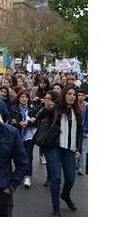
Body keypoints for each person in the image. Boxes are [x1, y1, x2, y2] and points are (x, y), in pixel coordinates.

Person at [43, 85, 83, 216]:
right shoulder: (55, 109)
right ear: (64, 95)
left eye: (74, 94)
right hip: (54, 147)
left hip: (69, 149)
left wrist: (78, 148)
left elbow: (79, 132)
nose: (72, 96)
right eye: (69, 94)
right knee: (56, 178)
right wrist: (46, 108)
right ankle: (56, 206)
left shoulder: (77, 112)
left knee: (70, 178)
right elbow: (41, 116)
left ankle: (65, 195)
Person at [8, 89, 39, 189]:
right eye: (22, 97)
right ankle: (19, 174)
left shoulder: (33, 108)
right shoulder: (14, 108)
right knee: (18, 155)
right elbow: (10, 121)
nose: (24, 99)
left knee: (28, 155)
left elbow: (37, 121)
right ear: (19, 98)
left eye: (26, 97)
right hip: (17, 135)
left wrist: (29, 122)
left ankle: (27, 176)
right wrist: (18, 123)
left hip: (29, 135)